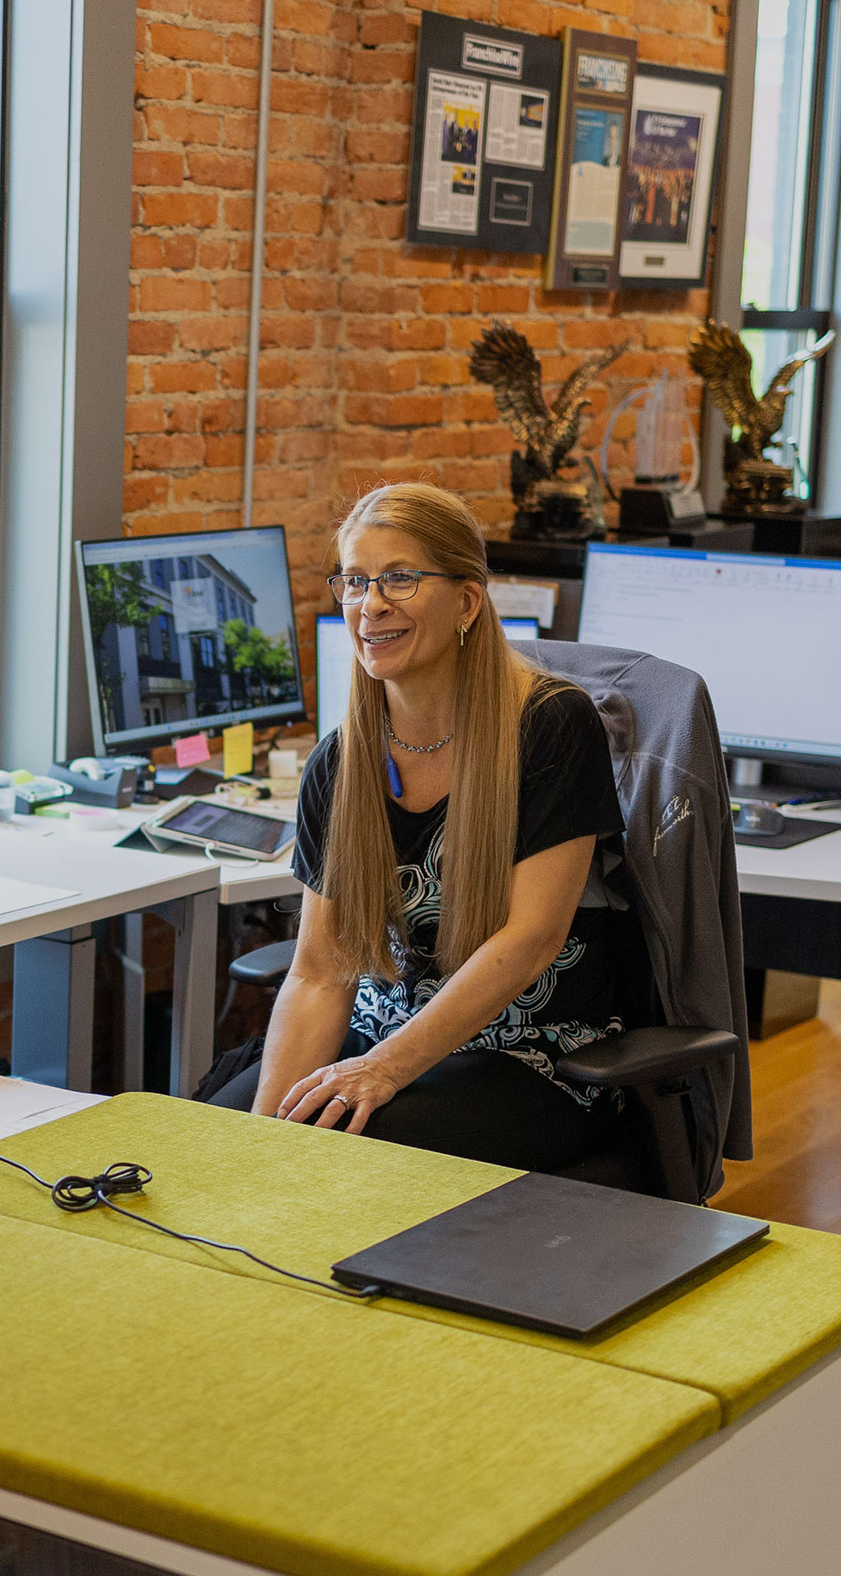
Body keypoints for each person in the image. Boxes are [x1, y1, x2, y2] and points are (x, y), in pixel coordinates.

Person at [208, 483, 635, 1172]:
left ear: (467, 601)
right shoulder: (341, 764)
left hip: (532, 1054)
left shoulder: (551, 726)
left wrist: (381, 1070)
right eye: (353, 580)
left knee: (351, 1158)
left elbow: (530, 940)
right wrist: (264, 1138)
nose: (370, 603)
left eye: (399, 578)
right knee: (214, 1143)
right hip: (375, 1041)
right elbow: (320, 972)